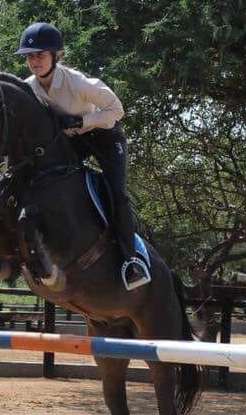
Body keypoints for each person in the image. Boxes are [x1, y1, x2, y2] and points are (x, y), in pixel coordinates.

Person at [16, 22, 151, 291]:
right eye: (30, 56)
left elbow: (116, 110)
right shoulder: (28, 88)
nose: (35, 61)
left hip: (104, 137)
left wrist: (81, 120)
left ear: (56, 55)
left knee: (116, 193)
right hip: (71, 142)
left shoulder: (78, 82)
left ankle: (131, 260)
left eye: (40, 55)